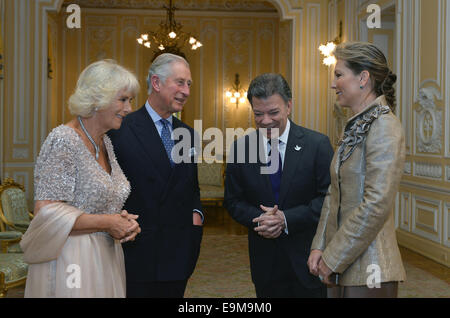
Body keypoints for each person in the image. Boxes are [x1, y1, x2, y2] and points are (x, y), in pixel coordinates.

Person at [20, 59, 141, 297]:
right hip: (71, 258)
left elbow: (102, 201)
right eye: (123, 99)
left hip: (106, 256)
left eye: (130, 101)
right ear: (98, 100)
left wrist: (123, 221)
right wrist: (108, 223)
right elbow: (46, 212)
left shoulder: (105, 141)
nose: (128, 109)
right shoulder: (65, 139)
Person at [308, 42, 406, 298]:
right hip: (342, 264)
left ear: (363, 78)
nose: (333, 84)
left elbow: (376, 204)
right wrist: (320, 247)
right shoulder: (354, 126)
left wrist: (333, 257)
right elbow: (333, 193)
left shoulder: (384, 125)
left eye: (339, 75)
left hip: (371, 270)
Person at [224, 73, 334, 298]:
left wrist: (286, 219)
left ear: (289, 106)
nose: (265, 120)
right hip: (265, 264)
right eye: (258, 114)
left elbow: (329, 199)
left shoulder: (317, 145)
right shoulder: (240, 149)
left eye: (273, 112)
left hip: (308, 259)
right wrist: (262, 219)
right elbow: (233, 201)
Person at [108, 53, 204, 298]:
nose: (186, 91)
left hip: (180, 251)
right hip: (138, 252)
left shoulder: (188, 134)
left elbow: (191, 186)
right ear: (157, 83)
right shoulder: (120, 129)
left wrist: (197, 216)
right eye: (180, 82)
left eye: (189, 84)